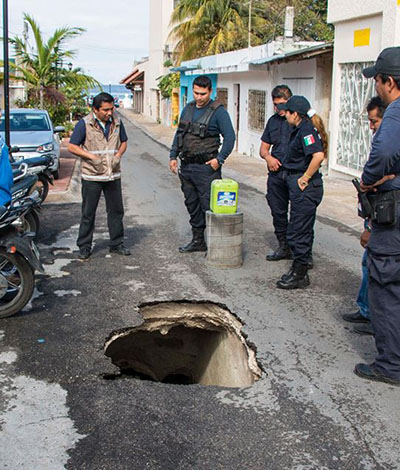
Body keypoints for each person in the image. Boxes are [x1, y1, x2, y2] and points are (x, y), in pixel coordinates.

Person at [354, 47, 400, 386]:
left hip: (393, 219)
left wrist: (372, 180)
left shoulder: (396, 112)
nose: (379, 89)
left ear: (390, 82)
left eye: (380, 81)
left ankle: (391, 365)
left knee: (385, 284)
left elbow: (382, 154)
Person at [169, 75, 236, 252]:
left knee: (210, 206)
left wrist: (219, 160)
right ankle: (198, 240)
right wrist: (173, 156)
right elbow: (179, 134)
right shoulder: (188, 109)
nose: (199, 97)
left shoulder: (218, 112)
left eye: (203, 94)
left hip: (207, 168)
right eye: (196, 93)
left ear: (210, 91)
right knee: (192, 204)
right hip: (187, 166)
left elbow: (230, 138)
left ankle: (217, 246)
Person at [342, 97, 386, 336]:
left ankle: (376, 318)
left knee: (379, 269)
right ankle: (367, 310)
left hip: (386, 219)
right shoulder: (381, 141)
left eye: (374, 121)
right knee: (368, 264)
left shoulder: (390, 145)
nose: (371, 127)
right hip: (376, 214)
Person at [68, 92, 130, 259]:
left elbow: (123, 141)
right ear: (95, 109)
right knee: (88, 212)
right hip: (92, 176)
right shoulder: (84, 124)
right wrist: (92, 157)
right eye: (105, 110)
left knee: (116, 211)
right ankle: (84, 246)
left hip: (112, 175)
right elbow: (72, 146)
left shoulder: (117, 122)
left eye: (111, 109)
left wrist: (118, 155)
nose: (109, 113)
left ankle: (117, 244)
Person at [275, 96, 328, 289]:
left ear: (295, 114)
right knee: (299, 228)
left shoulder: (306, 130)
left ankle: (300, 274)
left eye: (287, 111)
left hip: (306, 188)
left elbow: (318, 155)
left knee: (299, 231)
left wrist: (305, 177)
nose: (284, 114)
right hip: (296, 185)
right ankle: (298, 266)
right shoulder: (299, 128)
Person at [260, 85, 293, 261]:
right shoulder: (273, 121)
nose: (278, 109)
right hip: (276, 174)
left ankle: (302, 252)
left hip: (295, 174)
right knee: (277, 211)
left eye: (281, 104)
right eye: (275, 105)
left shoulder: (299, 120)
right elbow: (263, 149)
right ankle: (284, 246)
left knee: (299, 215)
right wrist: (269, 158)